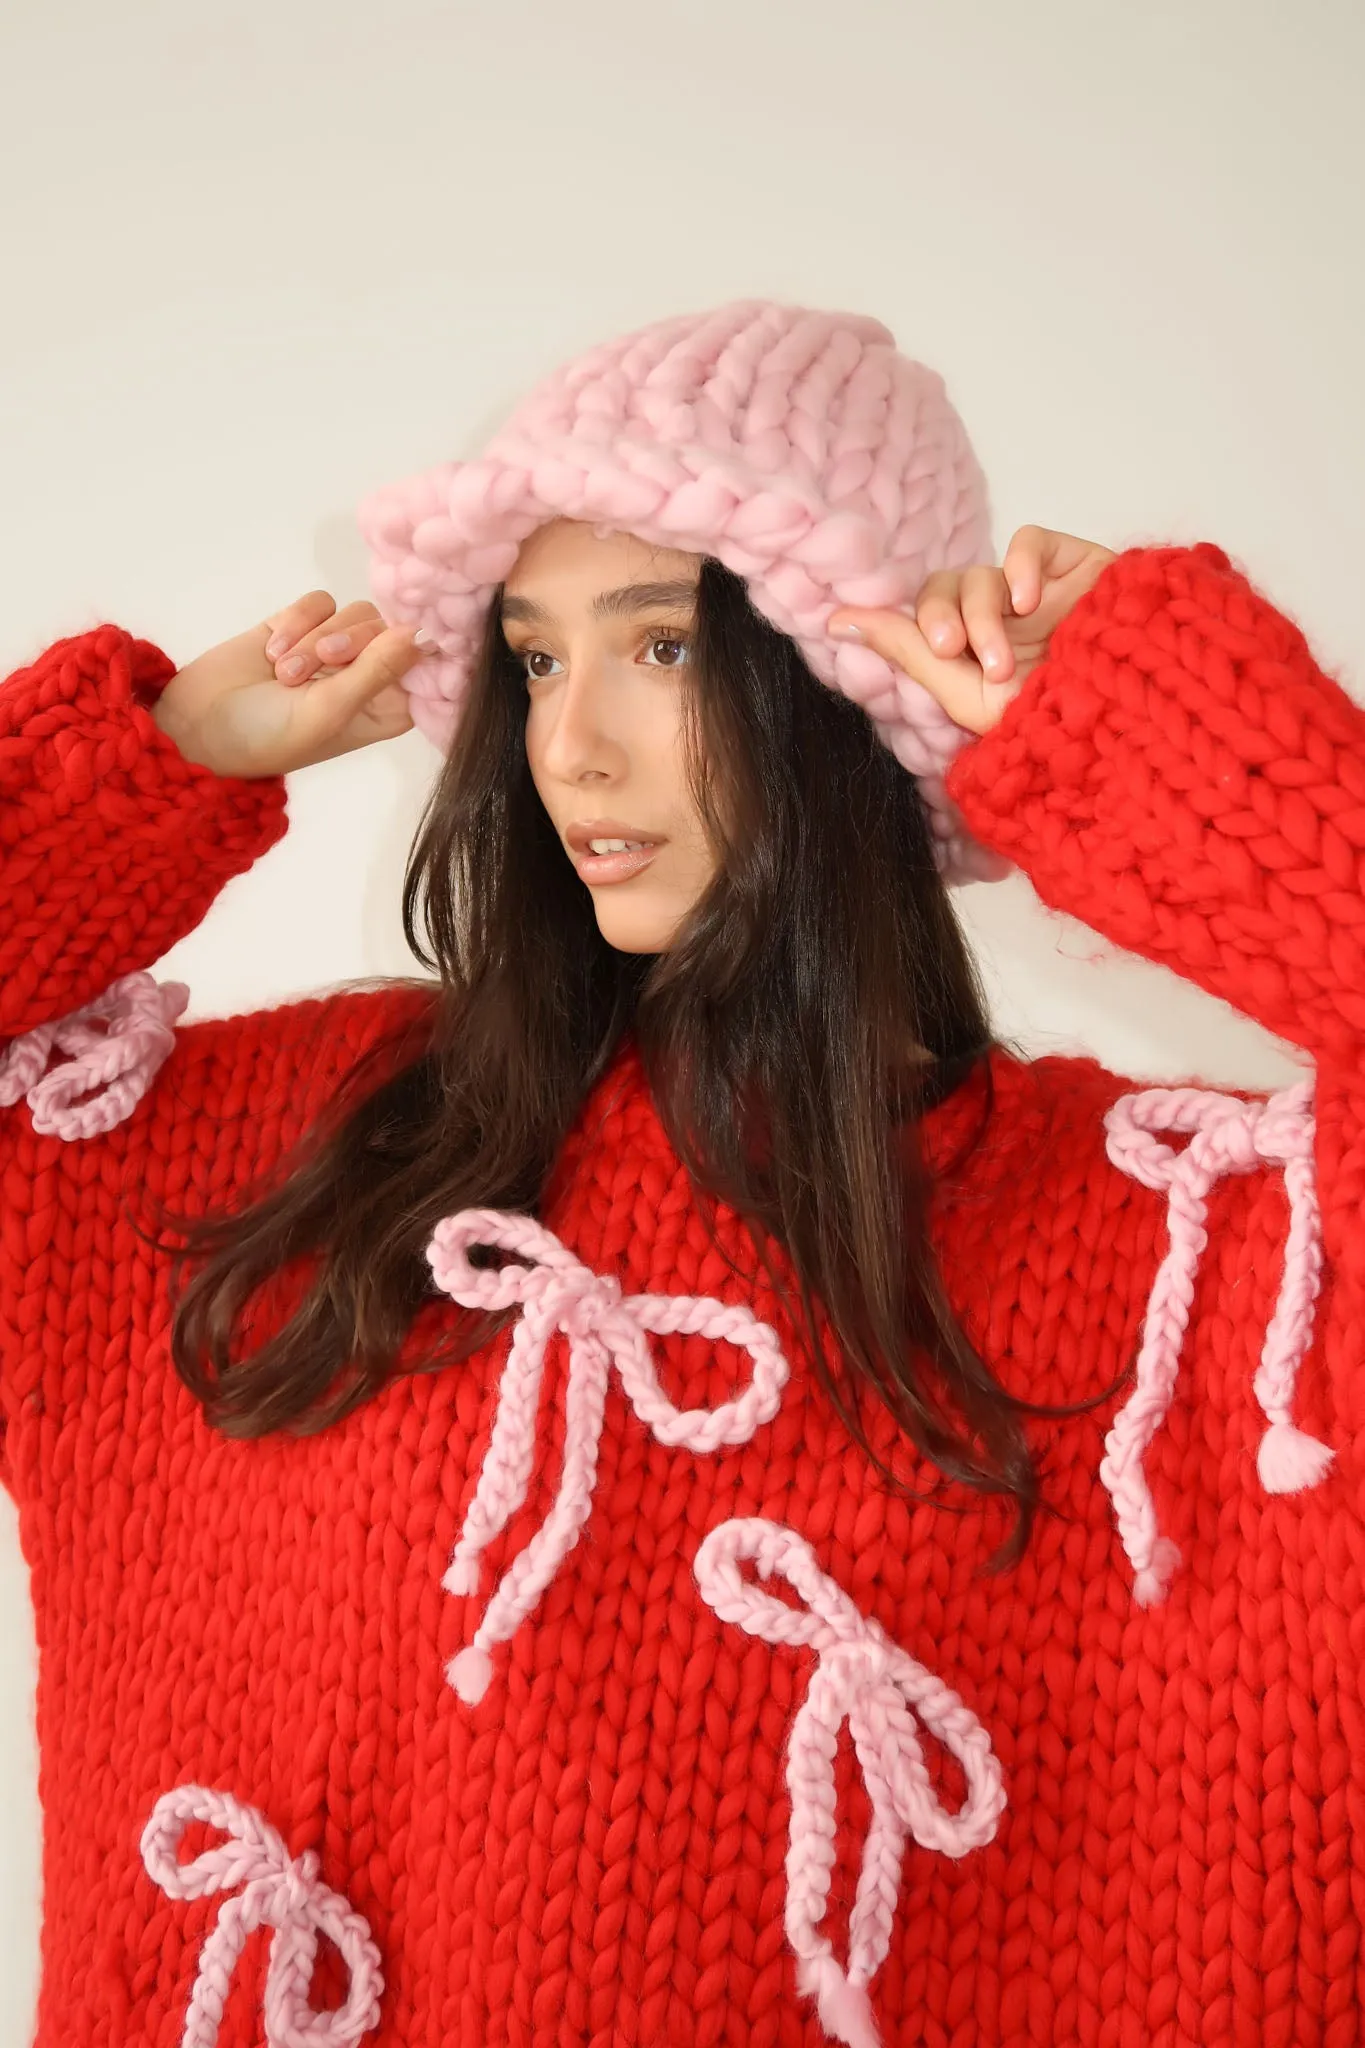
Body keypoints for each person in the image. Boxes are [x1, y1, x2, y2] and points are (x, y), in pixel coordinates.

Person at [0, 298, 1359, 2048]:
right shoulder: (259, 1164)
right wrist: (130, 779)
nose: (569, 748)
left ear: (847, 693)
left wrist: (1188, 754)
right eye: (536, 656)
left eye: (659, 648)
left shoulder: (1192, 1270)